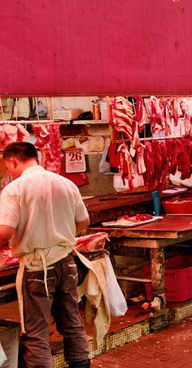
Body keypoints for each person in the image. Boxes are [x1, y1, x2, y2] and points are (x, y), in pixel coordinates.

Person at [0, 142, 91, 368]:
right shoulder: (65, 183)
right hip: (66, 263)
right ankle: (81, 364)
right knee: (71, 321)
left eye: (7, 167)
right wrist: (59, 235)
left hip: (37, 268)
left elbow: (5, 232)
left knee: (36, 332)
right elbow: (83, 222)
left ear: (12, 161)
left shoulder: (15, 189)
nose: (8, 171)